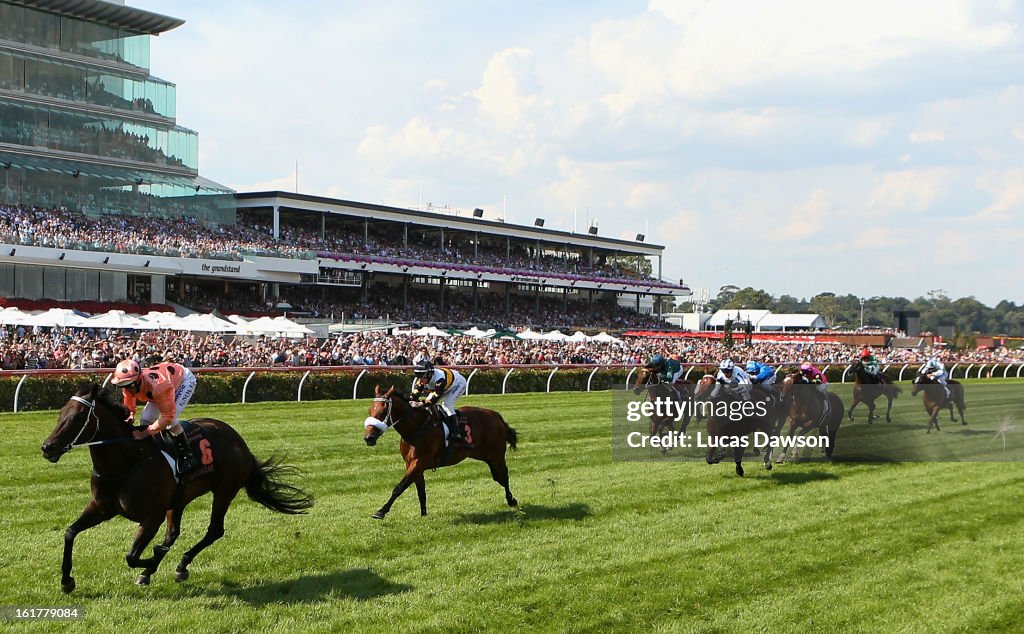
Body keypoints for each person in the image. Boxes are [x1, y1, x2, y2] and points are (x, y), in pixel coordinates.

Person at [111, 358, 198, 473]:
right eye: (123, 385)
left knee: (171, 422)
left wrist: (144, 433)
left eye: (129, 385)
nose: (127, 389)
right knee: (145, 419)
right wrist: (130, 414)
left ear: (138, 380)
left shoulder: (159, 386)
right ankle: (153, 451)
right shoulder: (129, 385)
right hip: (159, 389)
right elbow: (129, 403)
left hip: (183, 382)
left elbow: (167, 417)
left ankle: (188, 456)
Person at [410, 358, 469, 443]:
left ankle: (456, 432)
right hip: (444, 386)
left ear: (429, 373)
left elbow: (433, 400)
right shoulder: (422, 379)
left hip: (458, 384)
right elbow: (414, 394)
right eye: (418, 375)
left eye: (422, 375)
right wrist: (411, 400)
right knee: (427, 401)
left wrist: (420, 403)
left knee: (447, 404)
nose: (420, 379)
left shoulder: (440, 379)